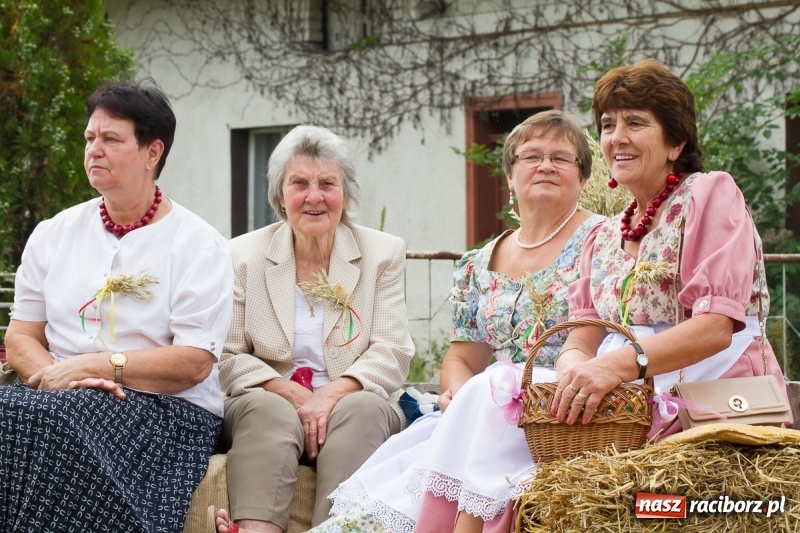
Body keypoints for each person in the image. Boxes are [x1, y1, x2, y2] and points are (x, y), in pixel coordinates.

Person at [307, 110, 606, 533]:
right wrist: (463, 395)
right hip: (485, 413)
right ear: (509, 177)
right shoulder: (477, 264)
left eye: (561, 158)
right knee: (368, 519)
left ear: (583, 177)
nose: (545, 165)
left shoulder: (604, 241)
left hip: (557, 417)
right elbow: (462, 358)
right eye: (531, 156)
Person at [0, 79, 234, 532]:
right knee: (30, 412)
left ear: (152, 153)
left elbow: (194, 362)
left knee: (52, 422)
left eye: (111, 139)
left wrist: (99, 367)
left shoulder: (199, 245)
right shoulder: (54, 233)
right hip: (57, 394)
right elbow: (22, 334)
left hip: (163, 410)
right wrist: (56, 378)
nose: (94, 150)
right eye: (90, 138)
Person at [553, 58, 790, 436]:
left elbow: (716, 328)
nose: (617, 137)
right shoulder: (602, 236)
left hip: (711, 394)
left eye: (635, 122)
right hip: (623, 399)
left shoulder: (708, 196)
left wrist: (614, 367)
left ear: (676, 142)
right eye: (608, 125)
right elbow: (584, 333)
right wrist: (574, 369)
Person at [213, 125, 415, 533]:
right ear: (279, 196)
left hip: (350, 399)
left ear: (346, 193)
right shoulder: (241, 254)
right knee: (268, 409)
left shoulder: (382, 253)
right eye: (299, 183)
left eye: (328, 183)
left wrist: (330, 395)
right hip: (268, 399)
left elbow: (392, 350)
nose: (315, 196)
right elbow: (226, 355)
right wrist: (290, 393)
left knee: (361, 408)